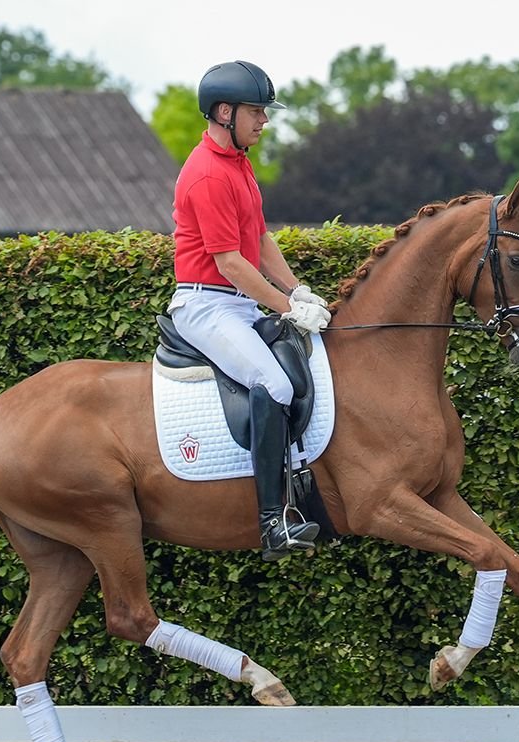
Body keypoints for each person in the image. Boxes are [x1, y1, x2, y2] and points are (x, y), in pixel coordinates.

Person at [169, 60, 331, 561]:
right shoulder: (206, 175)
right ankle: (272, 523)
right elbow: (231, 264)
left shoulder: (239, 164)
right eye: (256, 112)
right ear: (225, 112)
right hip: (206, 304)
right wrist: (285, 306)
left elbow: (259, 242)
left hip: (238, 303)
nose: (264, 121)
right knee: (275, 384)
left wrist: (299, 291)